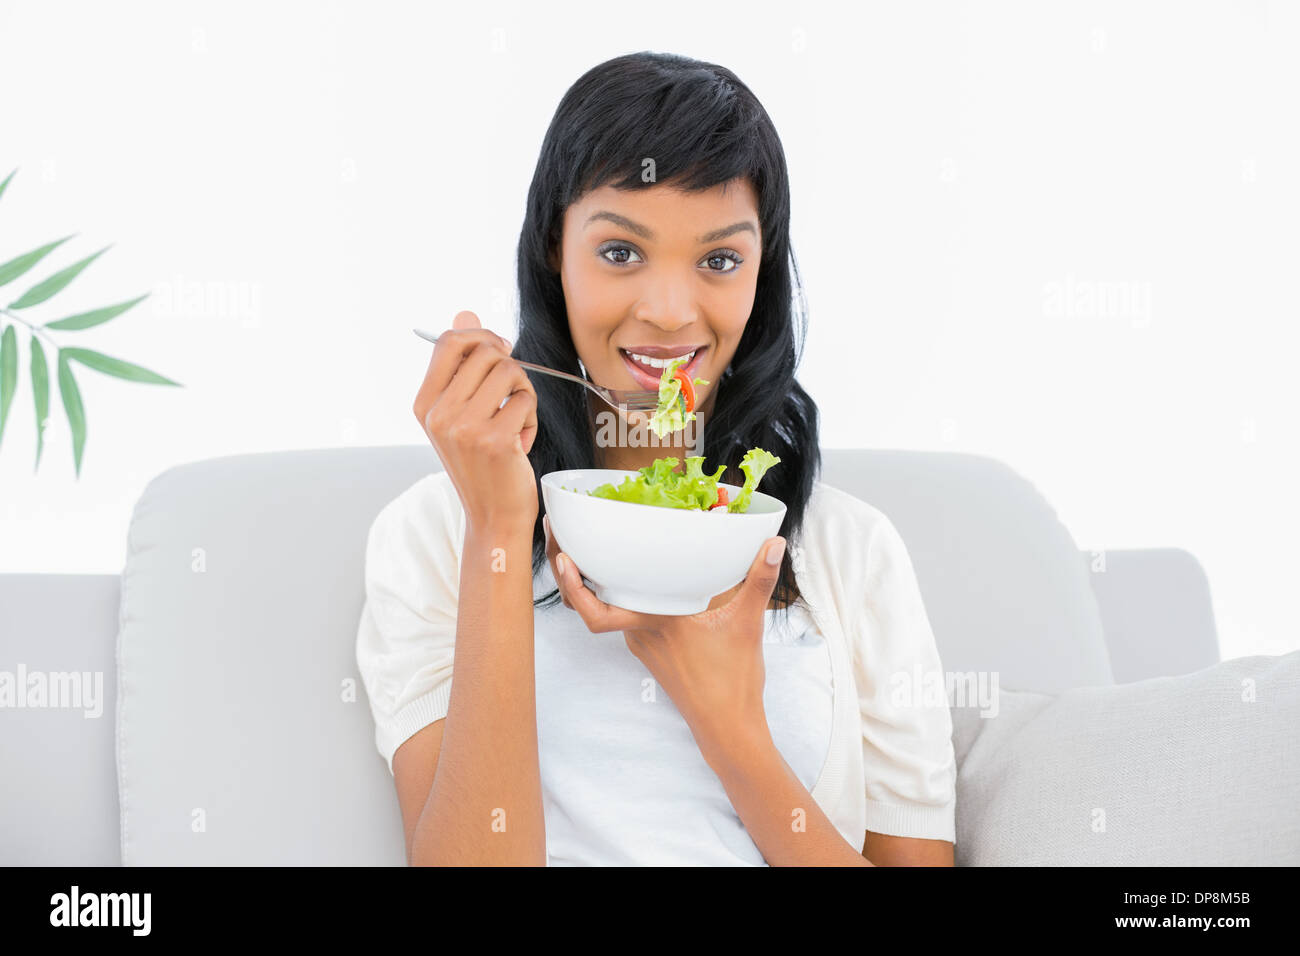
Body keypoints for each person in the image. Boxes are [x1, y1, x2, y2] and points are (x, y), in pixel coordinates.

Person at [356, 51, 957, 866]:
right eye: (619, 253)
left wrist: (729, 723)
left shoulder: (852, 554)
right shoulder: (433, 534)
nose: (671, 312)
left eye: (719, 260)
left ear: (763, 277)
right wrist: (500, 531)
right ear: (551, 257)